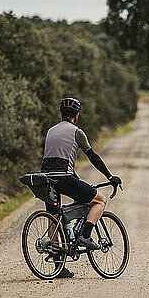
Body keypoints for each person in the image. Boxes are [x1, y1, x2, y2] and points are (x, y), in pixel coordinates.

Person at [41, 97, 122, 278]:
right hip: (64, 179)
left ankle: (58, 267)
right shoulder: (77, 132)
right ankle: (85, 236)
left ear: (61, 114)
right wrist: (110, 177)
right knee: (100, 200)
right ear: (76, 115)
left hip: (46, 180)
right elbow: (92, 156)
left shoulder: (50, 131)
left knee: (53, 219)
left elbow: (55, 160)